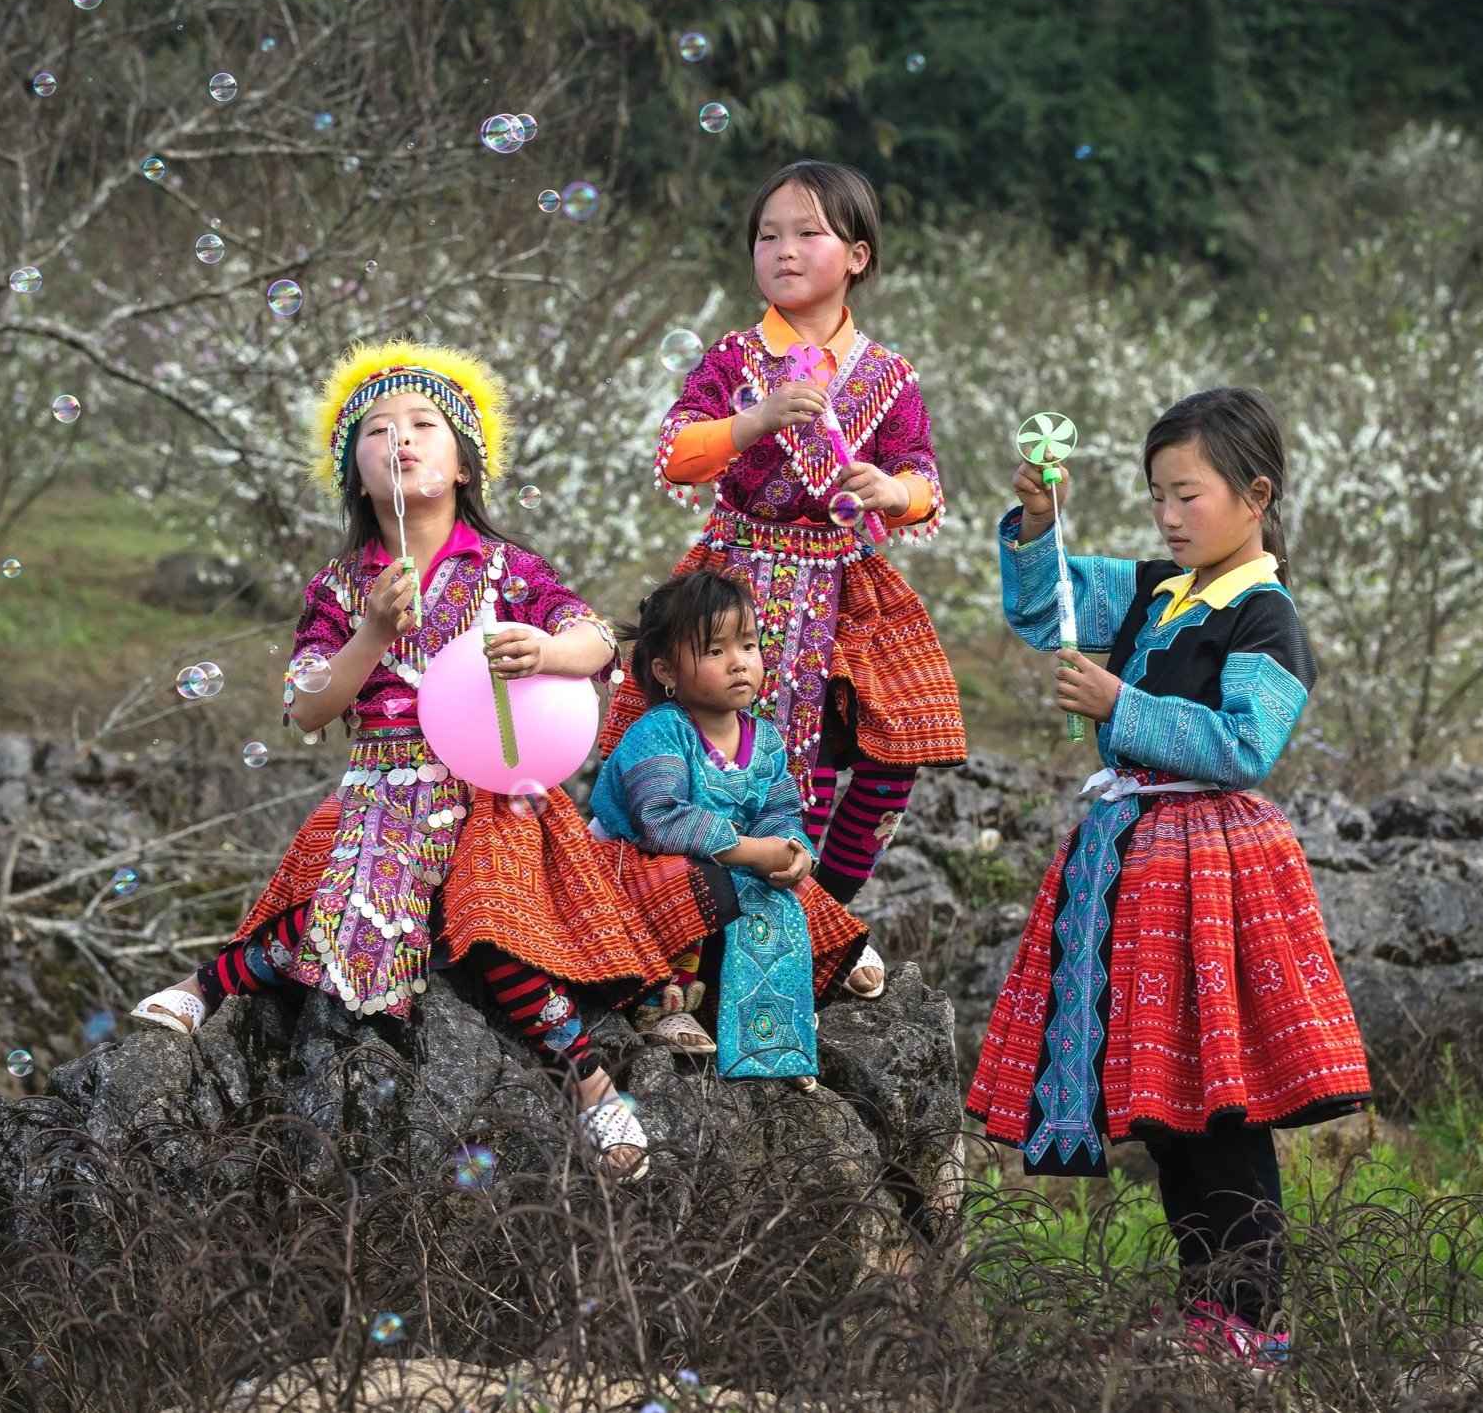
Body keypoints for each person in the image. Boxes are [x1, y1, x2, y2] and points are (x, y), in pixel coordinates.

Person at [131, 338, 738, 1182]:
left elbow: (596, 635)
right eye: (376, 431)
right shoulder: (340, 586)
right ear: (356, 471)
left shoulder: (507, 569)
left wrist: (552, 653)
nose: (401, 439)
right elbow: (305, 704)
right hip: (380, 788)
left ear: (463, 464)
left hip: (499, 791)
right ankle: (206, 985)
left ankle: (593, 1089)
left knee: (490, 928)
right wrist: (373, 629)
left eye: (423, 423)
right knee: (329, 909)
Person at [966, 387, 1372, 1372]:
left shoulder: (1264, 618)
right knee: (1171, 1102)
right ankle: (1205, 1314)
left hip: (1213, 875)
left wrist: (1120, 700)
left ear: (1254, 494)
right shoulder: (1157, 587)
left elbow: (1244, 743)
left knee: (1222, 1105)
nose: (1167, 515)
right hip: (1136, 871)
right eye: (1156, 496)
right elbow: (1043, 603)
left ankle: (1251, 1319)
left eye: (1185, 495)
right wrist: (1033, 524)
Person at [599, 160, 966, 990]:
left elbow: (925, 485)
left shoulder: (888, 374)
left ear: (858, 256)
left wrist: (890, 489)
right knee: (706, 751)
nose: (784, 250)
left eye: (808, 233)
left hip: (845, 590)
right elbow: (676, 452)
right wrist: (754, 419)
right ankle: (700, 920)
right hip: (736, 583)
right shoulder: (733, 360)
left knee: (882, 747)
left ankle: (816, 906)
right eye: (768, 234)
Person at [590, 570, 873, 1080]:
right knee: (698, 879)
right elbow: (660, 821)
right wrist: (749, 851)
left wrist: (792, 850)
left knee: (790, 885)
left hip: (727, 858)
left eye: (748, 644)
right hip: (638, 867)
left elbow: (781, 809)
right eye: (715, 651)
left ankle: (785, 1004)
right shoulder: (658, 732)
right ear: (666, 671)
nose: (740, 662)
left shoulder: (763, 740)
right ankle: (664, 1003)